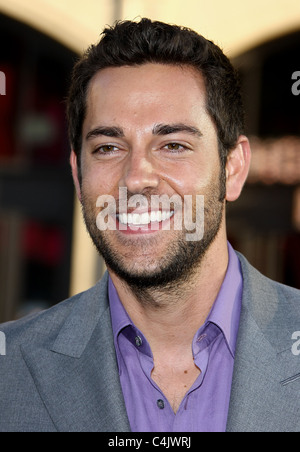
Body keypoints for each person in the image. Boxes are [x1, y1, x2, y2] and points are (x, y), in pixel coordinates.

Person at [0, 18, 300, 433]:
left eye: (173, 145)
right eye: (108, 147)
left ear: (233, 168)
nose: (136, 177)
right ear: (77, 173)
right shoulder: (8, 370)